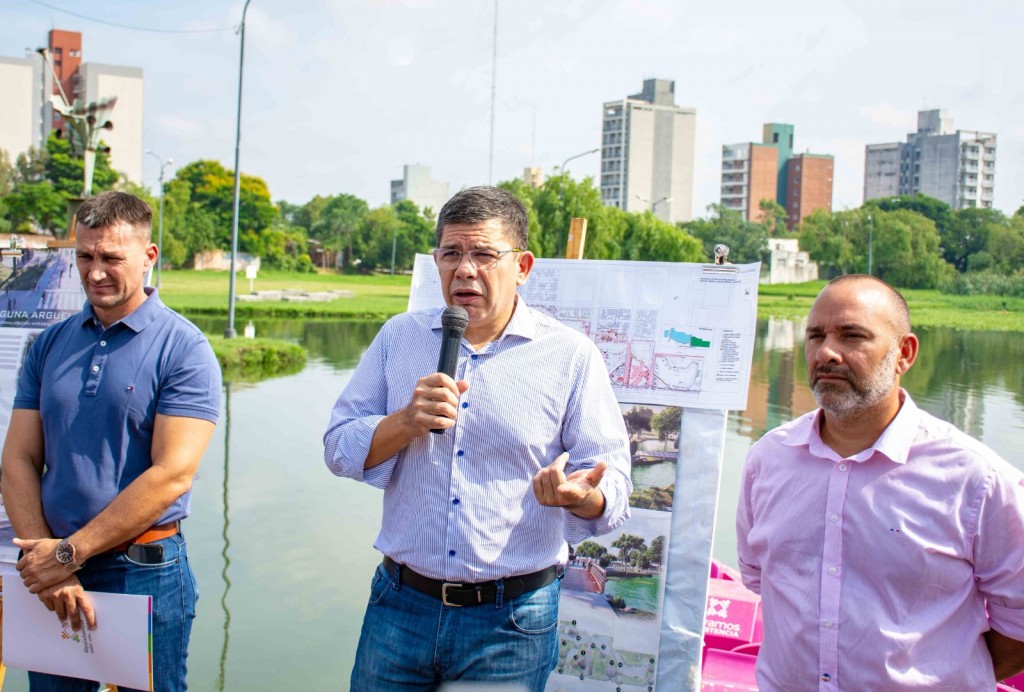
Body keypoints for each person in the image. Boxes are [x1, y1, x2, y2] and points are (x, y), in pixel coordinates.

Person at [323, 186, 632, 690]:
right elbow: (338, 446)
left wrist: (583, 497)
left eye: (484, 254)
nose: (464, 269)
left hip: (510, 622)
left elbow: (613, 480)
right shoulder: (399, 337)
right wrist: (403, 422)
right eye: (451, 253)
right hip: (399, 608)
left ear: (523, 266)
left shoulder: (571, 356)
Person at [736, 274, 1024, 690]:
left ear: (904, 353)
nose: (827, 352)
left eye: (852, 336)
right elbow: (762, 579)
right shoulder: (768, 460)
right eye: (815, 336)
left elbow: (1019, 626)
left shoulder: (977, 479)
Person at [2, 191, 222, 692]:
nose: (95, 272)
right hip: (54, 572)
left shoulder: (184, 348)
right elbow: (17, 458)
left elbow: (171, 475)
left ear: (149, 257)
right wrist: (50, 561)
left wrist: (66, 555)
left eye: (111, 258)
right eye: (85, 256)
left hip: (142, 573)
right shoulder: (49, 343)